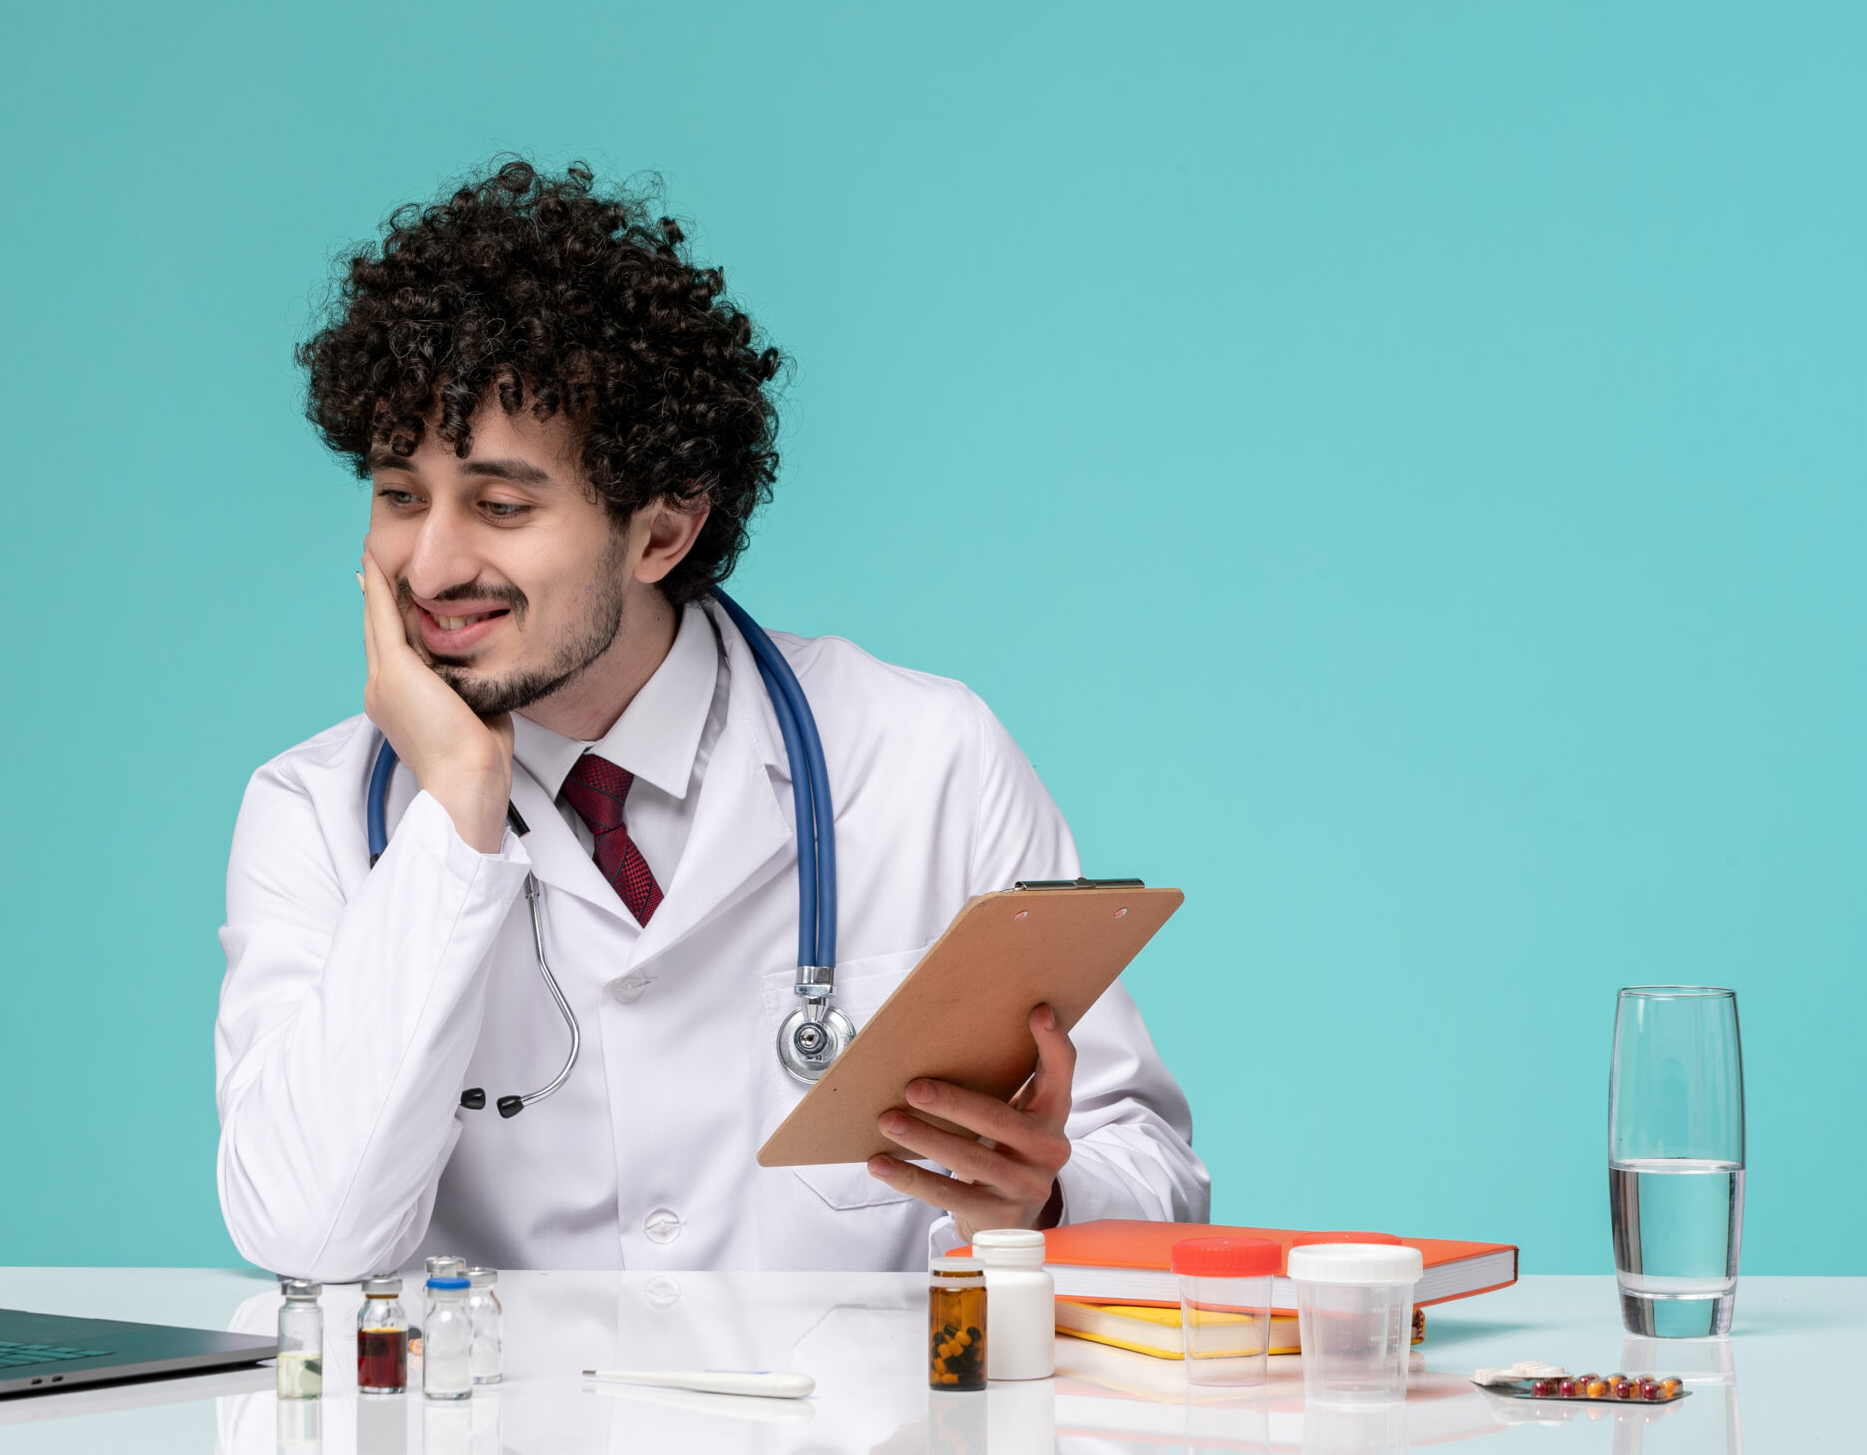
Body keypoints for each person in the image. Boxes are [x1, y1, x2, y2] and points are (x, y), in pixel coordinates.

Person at [216, 160, 1206, 1280]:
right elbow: (305, 1235)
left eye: (500, 505)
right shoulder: (313, 813)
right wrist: (453, 818)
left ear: (661, 531)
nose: (430, 565)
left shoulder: (924, 758)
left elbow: (1154, 1170)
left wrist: (1047, 1200)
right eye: (400, 497)